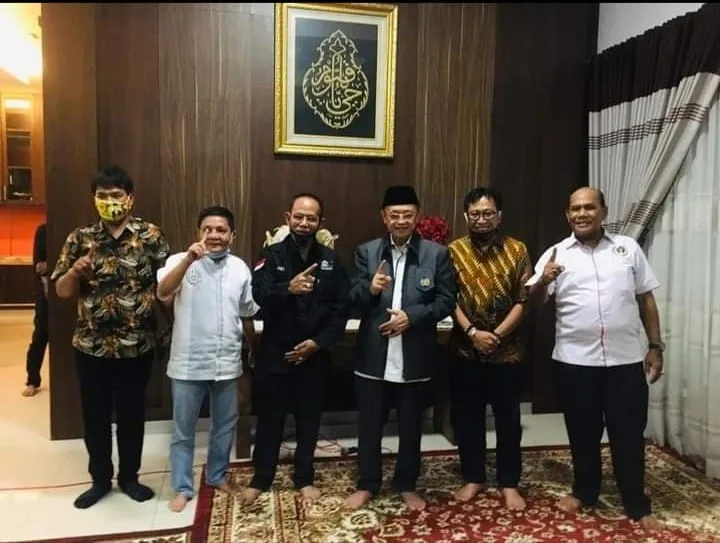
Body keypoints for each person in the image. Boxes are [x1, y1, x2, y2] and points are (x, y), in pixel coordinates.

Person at [525, 187, 664, 529]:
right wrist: (543, 281)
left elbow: (645, 299)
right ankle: (585, 491)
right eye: (575, 209)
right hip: (575, 362)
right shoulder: (556, 253)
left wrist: (655, 345)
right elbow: (532, 302)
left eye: (589, 207)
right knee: (582, 433)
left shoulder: (627, 249)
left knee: (628, 434)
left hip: (624, 360)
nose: (582, 214)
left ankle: (636, 503)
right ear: (567, 215)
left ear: (603, 211)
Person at [51, 165, 170, 509]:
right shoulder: (80, 238)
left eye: (116, 194)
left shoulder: (151, 236)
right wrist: (75, 272)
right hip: (91, 347)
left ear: (130, 198)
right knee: (95, 418)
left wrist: (172, 328)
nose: (109, 201)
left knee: (132, 416)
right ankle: (100, 480)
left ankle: (130, 478)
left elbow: (166, 287)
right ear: (94, 200)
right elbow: (61, 291)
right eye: (102, 196)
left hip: (137, 345)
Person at [344, 185, 456, 512]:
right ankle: (368, 484)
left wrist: (413, 316)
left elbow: (447, 300)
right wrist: (370, 288)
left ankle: (407, 484)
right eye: (395, 215)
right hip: (374, 356)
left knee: (411, 427)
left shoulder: (436, 254)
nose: (401, 220)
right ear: (384, 217)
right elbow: (351, 300)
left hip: (415, 355)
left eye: (408, 214)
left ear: (417, 216)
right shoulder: (367, 252)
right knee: (369, 426)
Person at [238, 193, 350, 505]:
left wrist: (318, 343)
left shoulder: (330, 260)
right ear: (287, 218)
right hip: (276, 354)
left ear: (320, 223)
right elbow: (258, 294)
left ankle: (304, 478)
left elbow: (341, 308)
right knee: (270, 419)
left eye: (310, 218)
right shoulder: (271, 254)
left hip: (313, 355)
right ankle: (262, 478)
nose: (303, 223)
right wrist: (287, 288)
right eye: (298, 216)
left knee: (309, 419)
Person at [156, 206, 259, 512]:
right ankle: (182, 487)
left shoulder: (240, 268)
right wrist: (189, 259)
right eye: (208, 229)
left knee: (224, 425)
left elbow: (246, 310)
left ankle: (217, 475)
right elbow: (163, 292)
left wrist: (253, 345)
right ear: (198, 233)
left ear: (232, 235)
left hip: (227, 361)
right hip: (188, 362)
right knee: (183, 430)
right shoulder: (179, 260)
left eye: (221, 230)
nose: (214, 235)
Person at [447, 187, 532, 510]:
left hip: (506, 352)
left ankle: (509, 482)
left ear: (499, 216)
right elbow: (448, 298)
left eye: (488, 213)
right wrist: (472, 333)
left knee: (508, 420)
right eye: (475, 214)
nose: (481, 219)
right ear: (466, 216)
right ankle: (474, 477)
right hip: (465, 350)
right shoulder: (453, 251)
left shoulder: (517, 250)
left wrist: (494, 335)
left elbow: (523, 300)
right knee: (466, 418)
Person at [22, 222, 49, 397]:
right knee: (40, 335)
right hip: (44, 292)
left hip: (68, 293)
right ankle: (32, 380)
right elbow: (39, 266)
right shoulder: (43, 231)